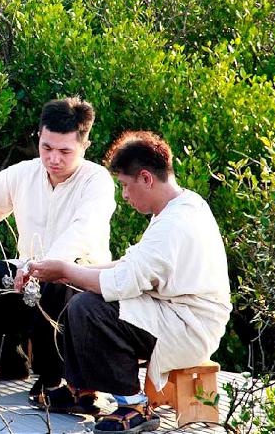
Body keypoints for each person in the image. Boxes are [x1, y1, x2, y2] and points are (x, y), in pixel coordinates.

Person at [26, 131, 232, 433]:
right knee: (76, 290)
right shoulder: (181, 205)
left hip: (189, 326)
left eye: (125, 185)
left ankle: (134, 405)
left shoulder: (175, 223)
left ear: (146, 178)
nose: (124, 195)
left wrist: (66, 270)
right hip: (174, 312)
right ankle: (81, 389)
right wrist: (70, 272)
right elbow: (130, 267)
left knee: (89, 308)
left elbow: (122, 282)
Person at [0, 96, 116, 411]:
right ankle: (6, 361)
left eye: (65, 151)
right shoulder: (23, 173)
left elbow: (83, 231)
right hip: (25, 277)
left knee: (57, 279)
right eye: (46, 147)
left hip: (75, 281)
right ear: (39, 137)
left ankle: (53, 378)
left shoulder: (97, 180)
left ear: (85, 145)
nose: (53, 159)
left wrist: (42, 266)